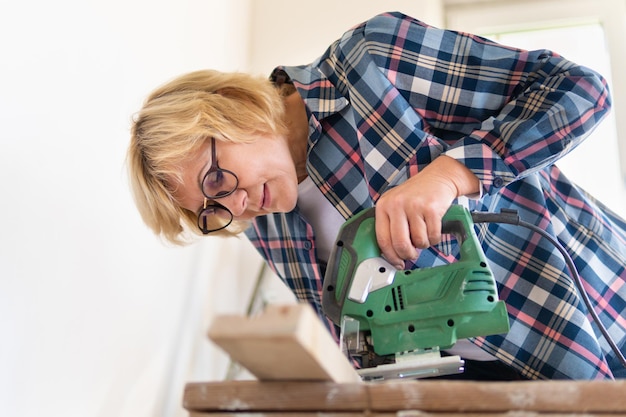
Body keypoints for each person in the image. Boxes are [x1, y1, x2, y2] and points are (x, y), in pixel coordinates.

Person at [127, 12, 626, 380]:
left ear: (230, 108)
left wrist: (448, 175)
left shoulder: (370, 63)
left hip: (590, 316)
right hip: (478, 385)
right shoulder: (267, 225)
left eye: (216, 181)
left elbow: (580, 91)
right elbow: (359, 345)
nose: (234, 207)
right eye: (210, 211)